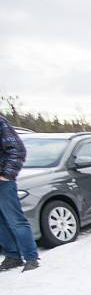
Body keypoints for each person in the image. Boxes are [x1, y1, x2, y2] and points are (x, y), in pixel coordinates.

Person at [0, 115, 39, 272]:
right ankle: (13, 256)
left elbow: (17, 149)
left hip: (3, 182)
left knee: (15, 220)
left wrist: (6, 175)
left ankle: (31, 257)